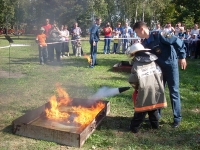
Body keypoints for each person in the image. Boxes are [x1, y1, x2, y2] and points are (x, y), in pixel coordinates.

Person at [133, 21, 187, 128]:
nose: (136, 34)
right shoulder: (145, 43)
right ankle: (156, 116)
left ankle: (177, 118)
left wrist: (182, 56)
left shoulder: (160, 34)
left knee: (174, 92)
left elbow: (177, 41)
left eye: (136, 32)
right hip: (158, 70)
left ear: (141, 29)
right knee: (158, 91)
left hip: (171, 67)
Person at [127, 43, 167, 133]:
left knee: (141, 110)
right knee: (153, 108)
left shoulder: (137, 64)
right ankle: (155, 125)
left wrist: (136, 87)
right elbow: (159, 74)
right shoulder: (153, 61)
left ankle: (134, 128)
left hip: (144, 89)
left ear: (135, 54)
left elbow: (133, 79)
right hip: (156, 87)